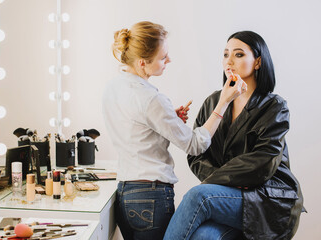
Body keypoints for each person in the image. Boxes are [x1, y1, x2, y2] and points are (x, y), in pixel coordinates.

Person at [102, 21, 246, 240]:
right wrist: (223, 103)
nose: (168, 60)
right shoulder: (152, 99)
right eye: (163, 57)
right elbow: (196, 145)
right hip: (151, 196)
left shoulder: (112, 89)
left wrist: (168, 121)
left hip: (125, 193)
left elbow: (135, 130)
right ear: (142, 63)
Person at [163, 30, 304, 240]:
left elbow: (263, 161)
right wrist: (220, 184)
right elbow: (197, 154)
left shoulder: (274, 106)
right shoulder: (213, 102)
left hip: (266, 198)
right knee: (204, 236)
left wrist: (214, 184)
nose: (229, 61)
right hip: (227, 195)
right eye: (225, 54)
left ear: (257, 62)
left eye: (238, 55)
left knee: (198, 196)